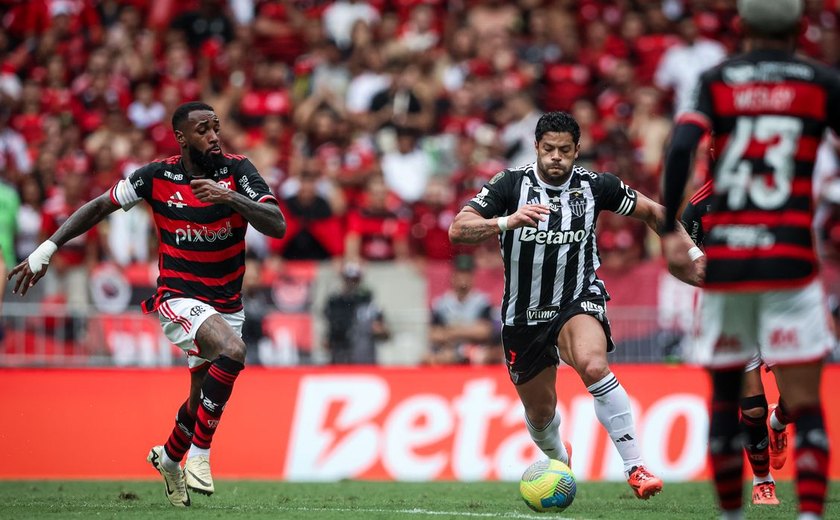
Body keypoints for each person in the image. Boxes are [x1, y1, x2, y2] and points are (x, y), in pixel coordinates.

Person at [7, 102, 286, 507]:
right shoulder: (156, 176)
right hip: (179, 296)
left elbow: (276, 224)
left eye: (216, 127)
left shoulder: (237, 170)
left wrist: (231, 198)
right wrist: (48, 247)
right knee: (234, 352)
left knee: (198, 402)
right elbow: (100, 205)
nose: (213, 136)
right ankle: (201, 459)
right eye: (203, 129)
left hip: (227, 303)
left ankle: (171, 459)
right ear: (181, 137)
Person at [448, 111, 702, 500]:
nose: (556, 157)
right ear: (536, 147)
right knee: (540, 414)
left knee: (593, 364)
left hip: (577, 297)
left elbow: (655, 212)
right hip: (523, 315)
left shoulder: (595, 185)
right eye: (548, 149)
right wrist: (506, 222)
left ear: (577, 151)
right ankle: (560, 459)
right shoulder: (509, 184)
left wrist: (693, 252)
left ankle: (635, 466)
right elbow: (458, 229)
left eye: (564, 150)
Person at [661, 1, 838, 518]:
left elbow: (678, 147)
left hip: (733, 267)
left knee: (728, 404)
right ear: (800, 28)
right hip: (790, 258)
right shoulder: (819, 80)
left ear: (740, 28)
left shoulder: (718, 80)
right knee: (804, 405)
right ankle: (800, 507)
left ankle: (732, 512)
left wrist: (671, 231)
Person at [681, 180, 789, 506]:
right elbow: (680, 249)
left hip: (775, 306)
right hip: (732, 312)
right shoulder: (700, 204)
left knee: (797, 401)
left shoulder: (774, 190)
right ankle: (763, 481)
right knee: (752, 407)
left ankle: (778, 422)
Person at [426, 254, 495, 365]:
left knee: (486, 355)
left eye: (467, 273)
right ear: (453, 276)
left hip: (474, 350)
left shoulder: (482, 301)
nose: (463, 278)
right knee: (429, 358)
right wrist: (467, 331)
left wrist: (454, 332)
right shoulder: (441, 303)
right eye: (460, 273)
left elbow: (484, 331)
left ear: (472, 276)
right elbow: (433, 333)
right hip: (448, 349)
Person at [323, 263, 389, 364]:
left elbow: (384, 332)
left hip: (364, 359)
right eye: (348, 279)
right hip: (340, 358)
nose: (351, 283)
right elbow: (329, 334)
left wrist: (380, 331)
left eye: (354, 279)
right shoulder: (335, 303)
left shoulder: (369, 304)